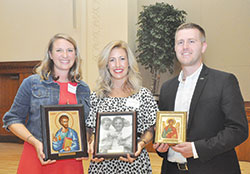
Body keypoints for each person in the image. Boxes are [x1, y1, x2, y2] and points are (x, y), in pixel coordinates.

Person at [153, 23, 249, 174]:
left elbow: (238, 130)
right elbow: (163, 132)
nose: (185, 47)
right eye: (180, 42)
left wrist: (196, 149)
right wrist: (161, 147)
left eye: (191, 41)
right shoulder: (167, 88)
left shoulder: (224, 81)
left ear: (203, 47)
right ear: (175, 48)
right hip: (171, 170)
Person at [3, 33, 90, 174]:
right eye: (59, 50)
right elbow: (12, 120)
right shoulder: (32, 83)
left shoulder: (83, 88)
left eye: (70, 50)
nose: (65, 55)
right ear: (50, 54)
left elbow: (87, 125)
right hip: (37, 156)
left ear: (76, 55)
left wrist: (86, 142)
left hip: (71, 162)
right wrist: (36, 142)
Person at [86, 40, 158, 173]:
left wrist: (140, 144)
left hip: (135, 164)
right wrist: (90, 144)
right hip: (102, 166)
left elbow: (150, 130)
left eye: (122, 59)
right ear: (106, 64)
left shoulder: (143, 94)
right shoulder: (96, 96)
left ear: (129, 62)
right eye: (112, 60)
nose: (117, 64)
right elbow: (89, 128)